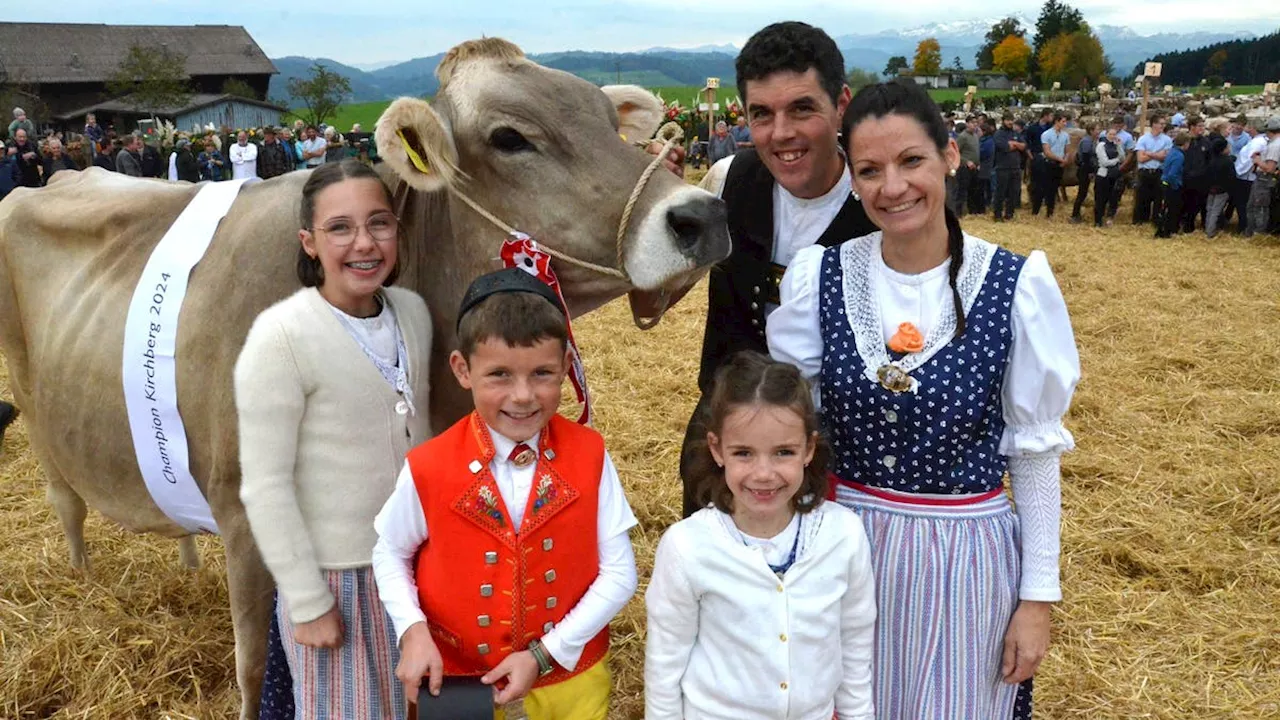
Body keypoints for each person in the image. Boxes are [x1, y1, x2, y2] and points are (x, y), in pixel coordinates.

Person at [769, 79, 1080, 719]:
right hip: (842, 550)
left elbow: (1034, 454)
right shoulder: (821, 275)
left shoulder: (1015, 283)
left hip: (963, 560)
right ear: (852, 180)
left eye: (911, 161)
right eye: (870, 170)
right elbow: (791, 429)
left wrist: (1037, 600)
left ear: (949, 157)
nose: (892, 187)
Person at [372, 267, 639, 719]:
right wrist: (412, 630)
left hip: (567, 675)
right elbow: (390, 552)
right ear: (463, 369)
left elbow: (620, 574)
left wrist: (544, 654)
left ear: (567, 367)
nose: (522, 396)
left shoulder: (590, 453)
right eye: (499, 375)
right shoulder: (430, 465)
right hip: (454, 675)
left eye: (542, 374)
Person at [236, 159, 433, 720]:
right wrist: (305, 599)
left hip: (418, 568)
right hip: (338, 579)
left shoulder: (413, 314)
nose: (364, 243)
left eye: (379, 223)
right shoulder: (280, 337)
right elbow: (265, 485)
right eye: (340, 228)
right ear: (309, 242)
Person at [679, 21, 877, 518]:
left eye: (802, 108)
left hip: (843, 456)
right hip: (729, 447)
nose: (781, 133)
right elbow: (651, 302)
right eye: (762, 114)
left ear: (842, 105)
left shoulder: (882, 203)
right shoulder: (727, 180)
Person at [645, 351, 875, 720]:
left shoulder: (843, 534)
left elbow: (855, 644)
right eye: (744, 453)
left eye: (783, 452)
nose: (764, 474)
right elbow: (665, 665)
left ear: (809, 449)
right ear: (717, 449)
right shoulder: (686, 546)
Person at [1245, 117, 1280, 237]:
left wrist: (1257, 160)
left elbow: (1270, 168)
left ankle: (1258, 234)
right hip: (1265, 180)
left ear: (1270, 130)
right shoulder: (1275, 143)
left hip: (1264, 180)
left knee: (1259, 207)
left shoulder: (1275, 146)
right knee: (1255, 206)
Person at [1132, 116, 1171, 225]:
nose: (1163, 126)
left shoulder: (1167, 140)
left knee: (1159, 197)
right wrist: (1157, 154)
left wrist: (1149, 153)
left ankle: (1156, 220)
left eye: (1164, 124)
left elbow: (1166, 157)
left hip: (1159, 172)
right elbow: (1141, 158)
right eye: (1161, 123)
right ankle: (1140, 220)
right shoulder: (1143, 139)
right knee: (1142, 197)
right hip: (1145, 172)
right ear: (1153, 124)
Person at [1035, 112, 1070, 218]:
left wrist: (1066, 159)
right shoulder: (1046, 134)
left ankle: (1050, 212)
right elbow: (1047, 151)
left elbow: (1067, 149)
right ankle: (1036, 210)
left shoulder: (1065, 135)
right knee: (1042, 187)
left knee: (1054, 188)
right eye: (1063, 121)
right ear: (1057, 121)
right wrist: (1060, 159)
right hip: (1048, 163)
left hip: (1059, 164)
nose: (1065, 124)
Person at [992, 111, 1025, 221]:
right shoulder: (999, 134)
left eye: (1012, 120)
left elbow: (1023, 146)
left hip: (1015, 167)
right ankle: (997, 215)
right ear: (1003, 121)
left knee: (1014, 192)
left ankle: (1009, 214)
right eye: (1008, 120)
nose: (1010, 122)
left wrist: (1014, 144)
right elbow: (1005, 147)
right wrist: (1015, 145)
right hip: (1003, 167)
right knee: (1000, 192)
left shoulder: (1015, 133)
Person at [1155, 132, 1188, 238]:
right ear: (1185, 143)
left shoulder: (1171, 151)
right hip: (1171, 185)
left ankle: (1162, 230)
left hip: (1164, 182)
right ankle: (1170, 231)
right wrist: (1175, 186)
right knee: (1173, 210)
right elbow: (1172, 174)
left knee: (1166, 208)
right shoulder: (1179, 156)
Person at [1203, 136, 1236, 239]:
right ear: (1223, 149)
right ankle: (1210, 232)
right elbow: (1232, 176)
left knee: (1209, 209)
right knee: (1216, 211)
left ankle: (1207, 228)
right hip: (1222, 190)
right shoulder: (1228, 161)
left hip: (1211, 188)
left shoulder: (1212, 160)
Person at [1093, 127, 1124, 227]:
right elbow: (1104, 162)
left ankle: (1109, 219)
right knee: (1100, 199)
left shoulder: (1116, 145)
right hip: (1103, 175)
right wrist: (1116, 160)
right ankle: (1098, 221)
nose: (1113, 136)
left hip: (1114, 175)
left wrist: (1119, 146)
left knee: (1113, 199)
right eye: (1110, 134)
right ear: (1106, 134)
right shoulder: (1101, 145)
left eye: (1114, 134)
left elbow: (1122, 157)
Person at [1070, 122, 1099, 223]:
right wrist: (1090, 171)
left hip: (1085, 169)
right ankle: (1074, 215)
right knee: (1082, 193)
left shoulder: (1091, 140)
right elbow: (1086, 157)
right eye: (1097, 129)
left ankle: (1076, 214)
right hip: (1085, 170)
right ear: (1091, 131)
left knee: (1083, 193)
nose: (1098, 132)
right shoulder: (1087, 141)